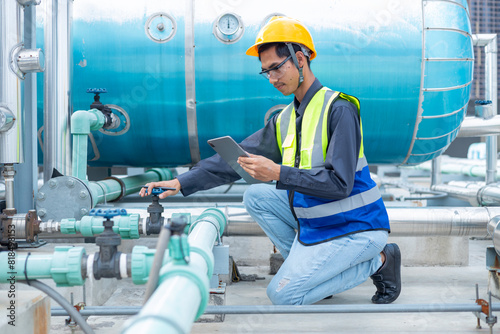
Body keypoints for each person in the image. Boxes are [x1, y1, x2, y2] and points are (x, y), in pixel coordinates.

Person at [140, 16, 401, 306]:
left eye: (277, 68)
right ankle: (316, 278)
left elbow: (340, 184)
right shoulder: (285, 118)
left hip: (356, 226)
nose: (273, 79)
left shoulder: (338, 109)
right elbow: (236, 159)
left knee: (283, 295)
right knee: (256, 195)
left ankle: (379, 260)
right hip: (319, 220)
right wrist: (180, 182)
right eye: (266, 72)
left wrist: (278, 172)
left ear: (300, 59)